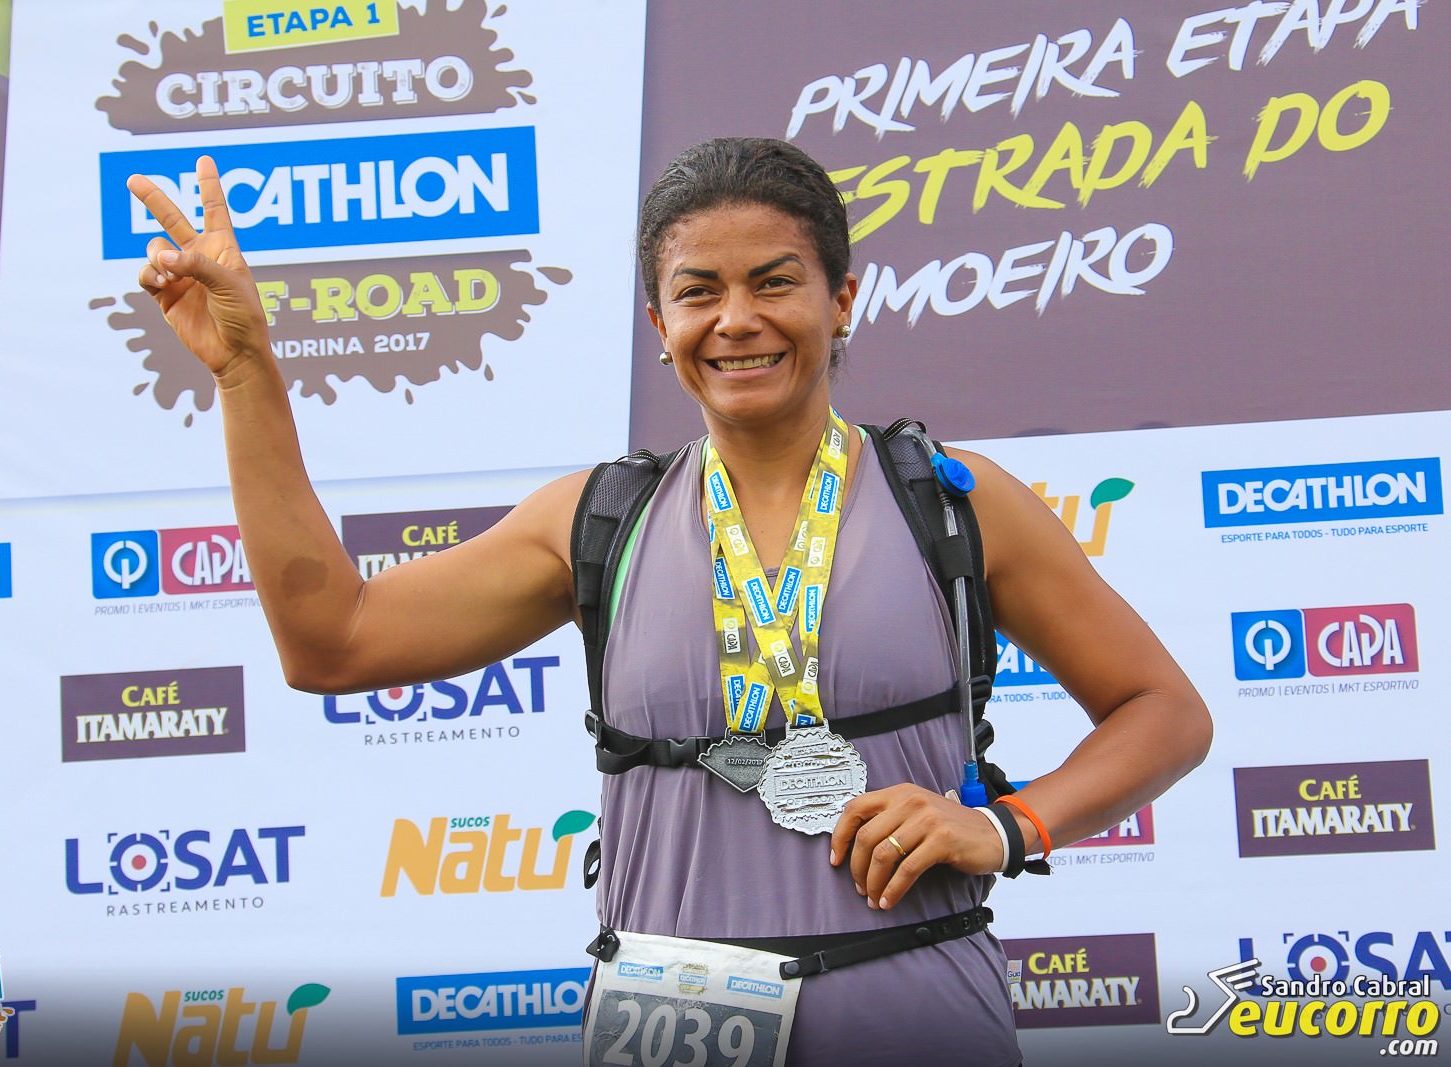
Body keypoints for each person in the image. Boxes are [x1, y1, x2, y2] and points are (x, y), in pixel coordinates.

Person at [128, 136, 1211, 1066]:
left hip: (912, 1009)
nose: (737, 320)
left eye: (775, 282)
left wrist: (1007, 824)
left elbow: (1163, 711)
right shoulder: (595, 518)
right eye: (699, 292)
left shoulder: (952, 498)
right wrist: (245, 372)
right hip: (666, 1020)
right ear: (659, 320)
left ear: (841, 300)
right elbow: (333, 641)